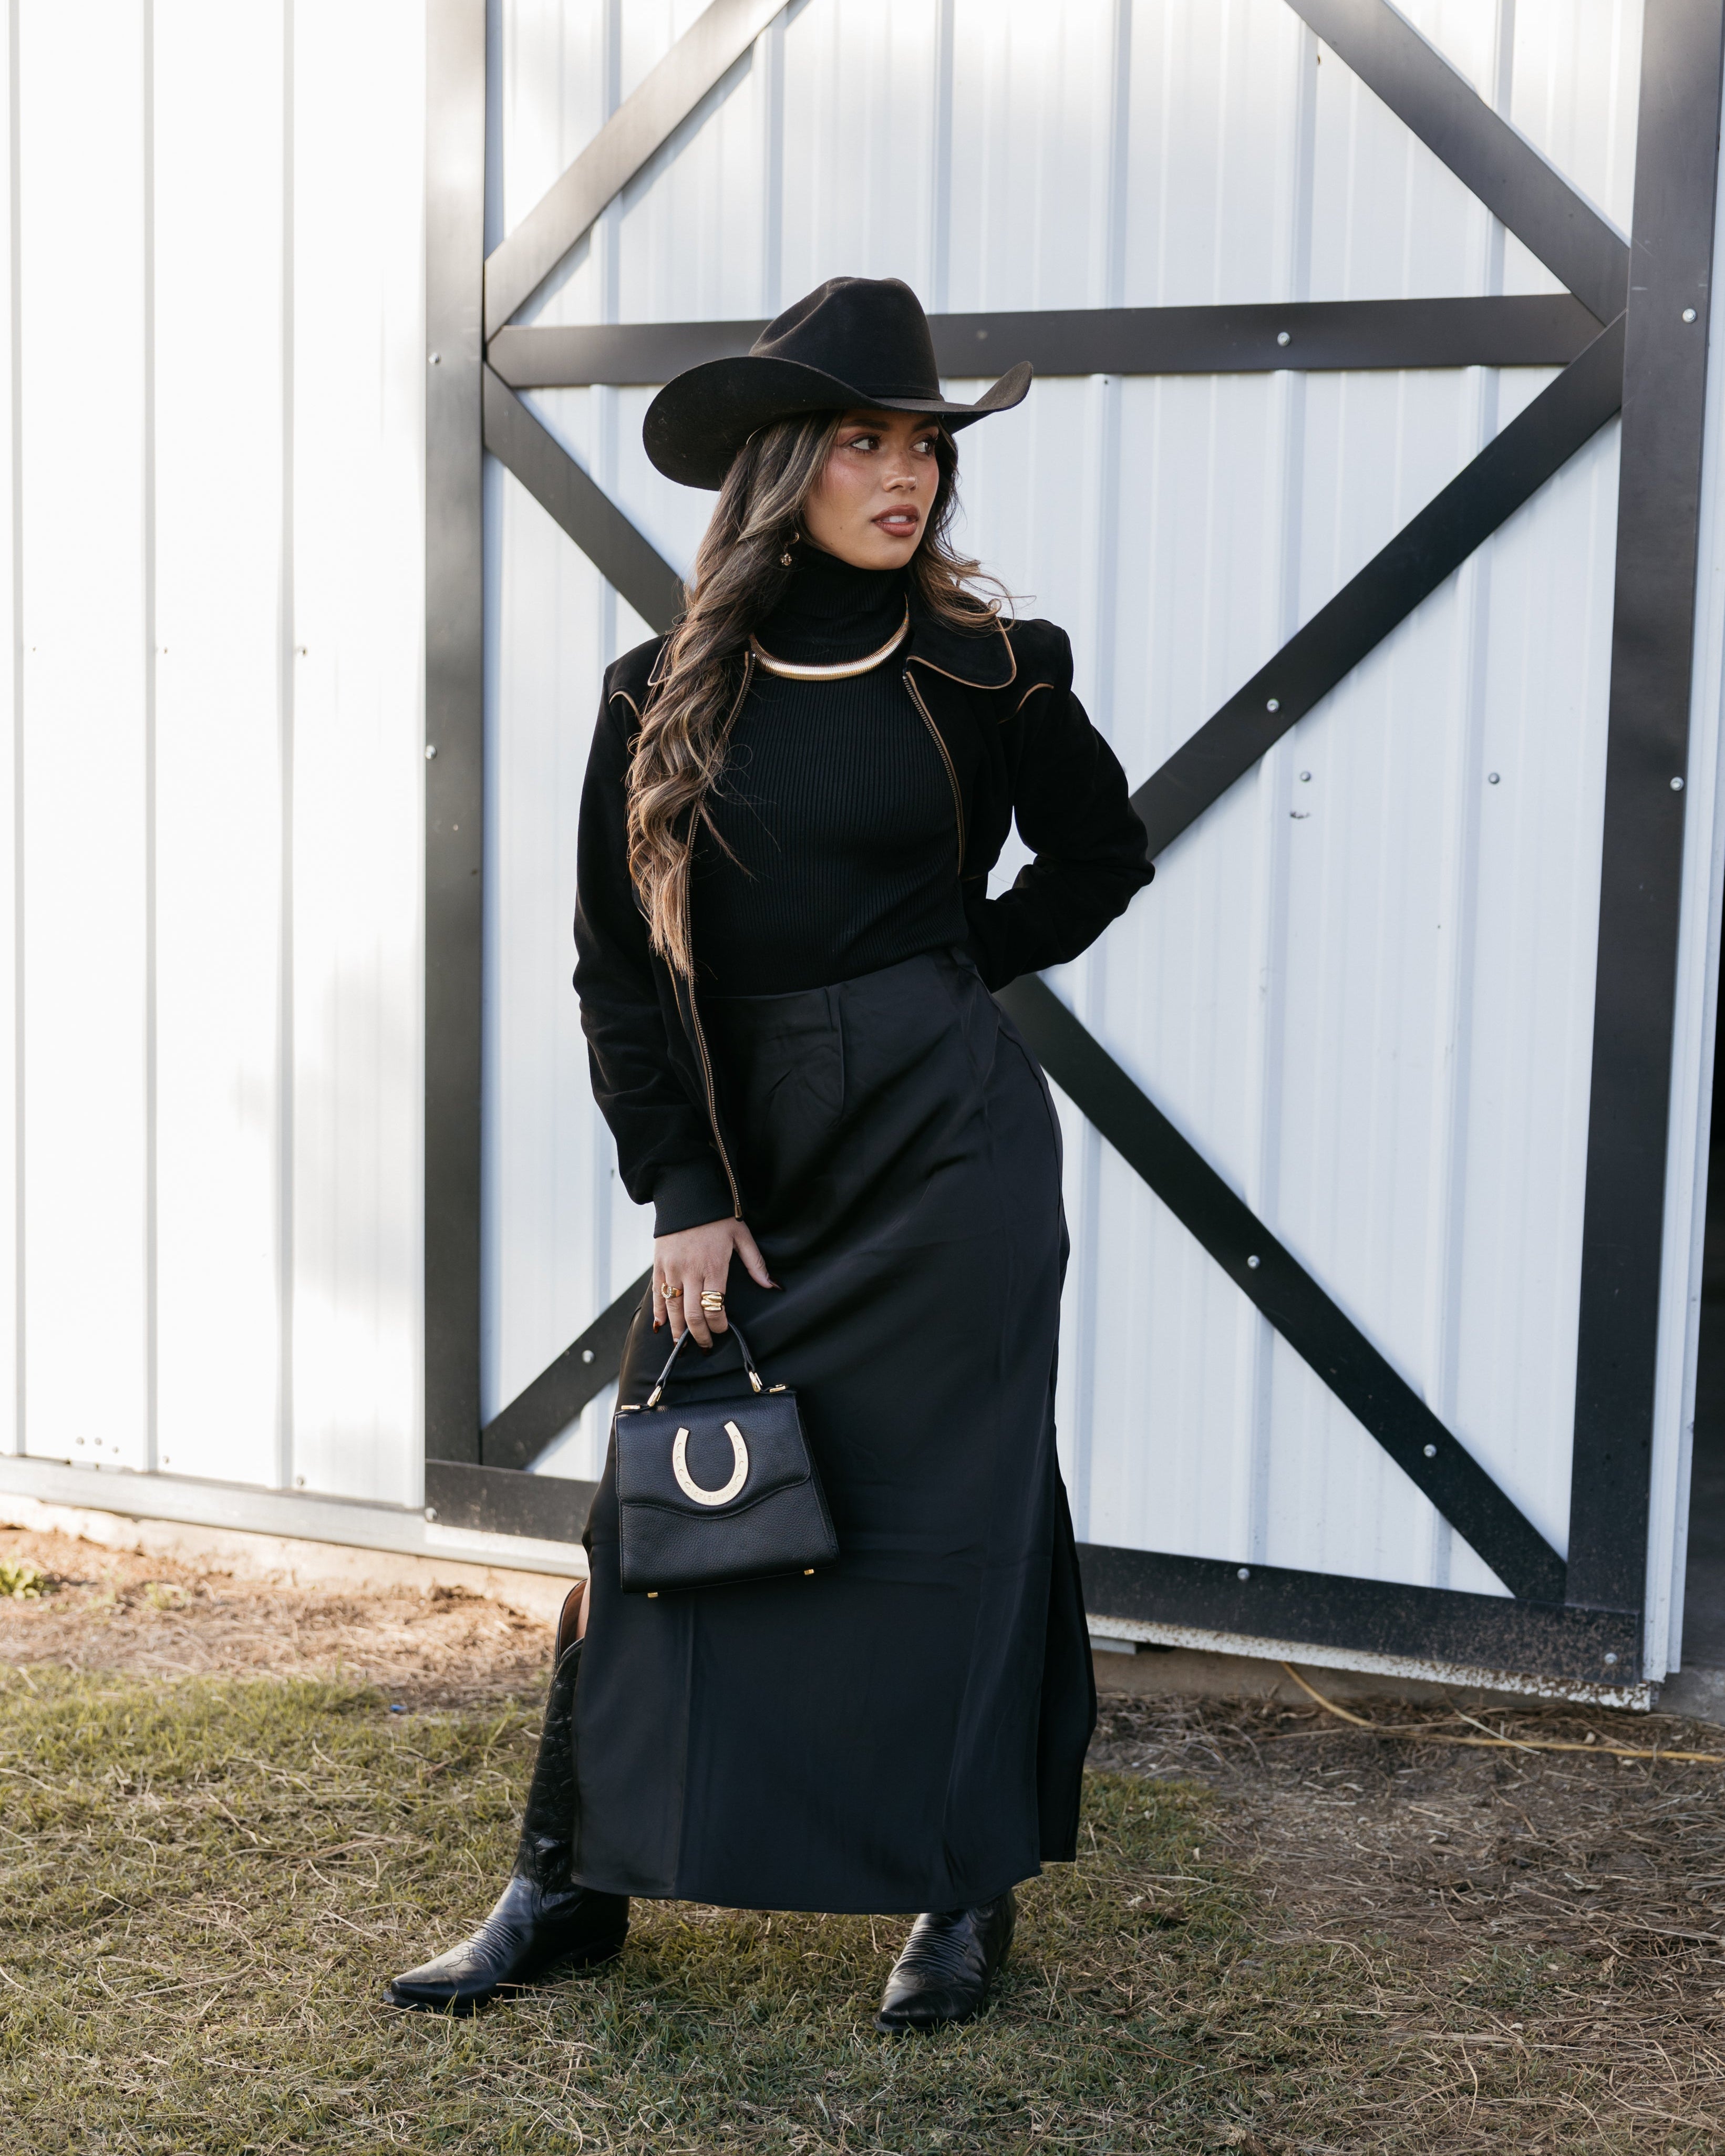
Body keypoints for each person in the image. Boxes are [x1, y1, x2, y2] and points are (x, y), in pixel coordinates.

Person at [388, 276, 1153, 2028]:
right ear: (780, 466)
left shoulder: (991, 666)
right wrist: (686, 1193)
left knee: (954, 1521)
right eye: (868, 445)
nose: (906, 479)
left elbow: (1101, 855)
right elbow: (613, 967)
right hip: (751, 1152)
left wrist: (957, 968)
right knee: (657, 1517)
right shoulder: (656, 692)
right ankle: (564, 1882)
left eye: (925, 450)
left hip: (947, 1147)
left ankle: (959, 1898)